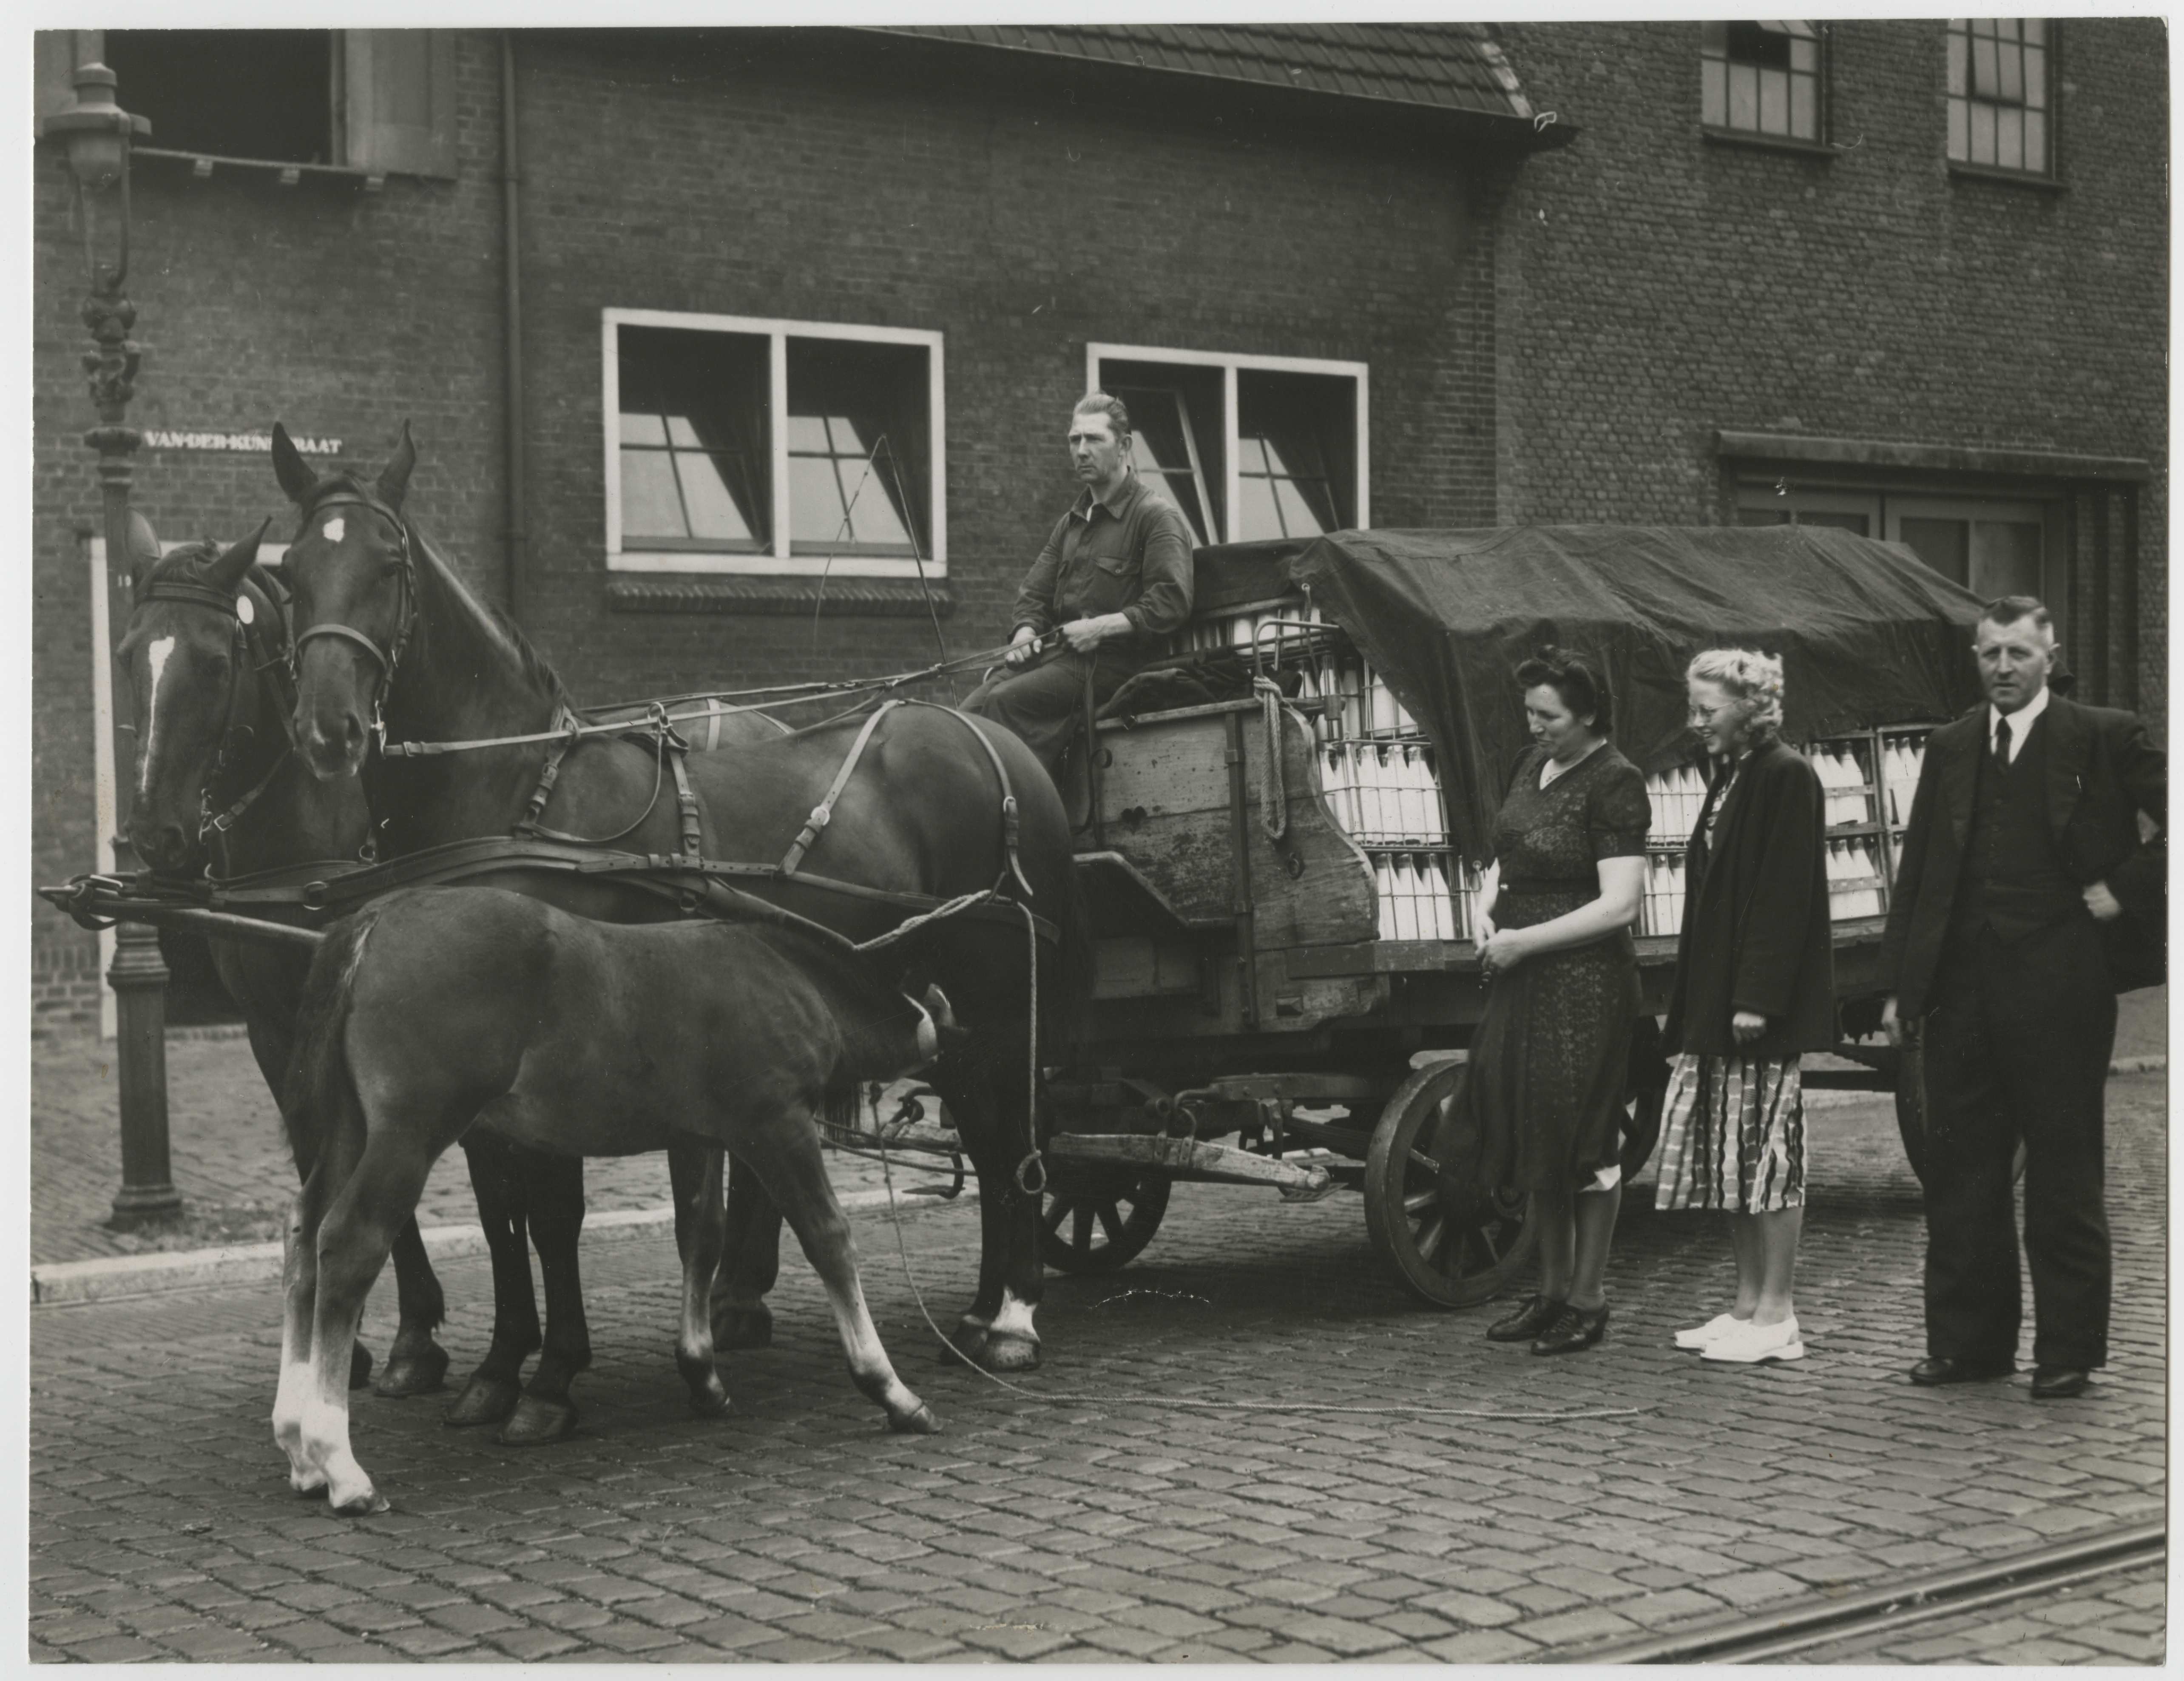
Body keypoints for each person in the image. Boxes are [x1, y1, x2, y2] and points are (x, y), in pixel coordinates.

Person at [1880, 597, 2164, 1400]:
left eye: (2017, 653)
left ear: (2049, 655)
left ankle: (2067, 1350)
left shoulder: (2103, 735)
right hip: (1961, 988)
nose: (2002, 668)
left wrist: (2126, 887)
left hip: (2061, 982)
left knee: (2062, 1168)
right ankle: (1970, 1344)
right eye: (1989, 654)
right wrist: (1903, 985)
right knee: (1960, 1168)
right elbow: (1922, 868)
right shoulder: (1951, 744)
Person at [1448, 648, 1650, 1355]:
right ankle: (1552, 1291)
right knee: (1535, 1133)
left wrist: (1523, 940)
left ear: (1588, 713)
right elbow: (1506, 850)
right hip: (1521, 973)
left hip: (1584, 984)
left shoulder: (1616, 781)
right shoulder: (1531, 767)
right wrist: (1484, 905)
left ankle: (1588, 1300)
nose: (1536, 727)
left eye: (1550, 716)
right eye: (1530, 713)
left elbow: (1620, 904)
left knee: (1583, 1140)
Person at [1655, 649, 1833, 1365]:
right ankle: (1744, 1304)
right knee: (1730, 1153)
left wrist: (1756, 998)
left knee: (1768, 1155)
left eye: (1707, 710)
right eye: (1693, 709)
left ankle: (1779, 1313)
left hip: (1756, 1008)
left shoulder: (1786, 775)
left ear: (1749, 708)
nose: (1695, 723)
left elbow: (1785, 895)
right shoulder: (1731, 774)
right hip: (1719, 1001)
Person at [962, 392, 1195, 788]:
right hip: (1058, 659)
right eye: (1075, 440)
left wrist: (1100, 628)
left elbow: (1171, 600)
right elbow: (1034, 594)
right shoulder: (1071, 522)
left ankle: (1025, 825)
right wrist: (1025, 632)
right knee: (968, 713)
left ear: (1124, 447)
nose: (1081, 451)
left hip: (1114, 665)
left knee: (1006, 704)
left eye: (1093, 439)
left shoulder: (1156, 518)